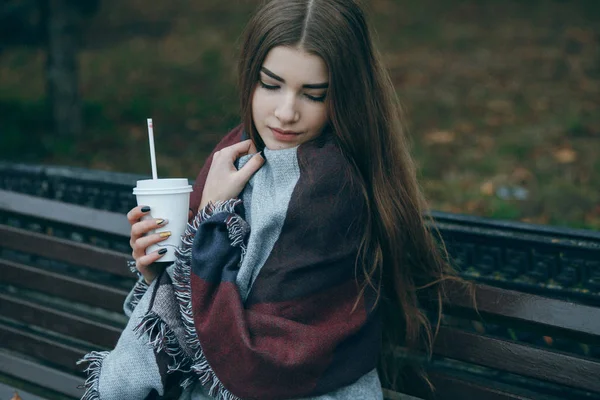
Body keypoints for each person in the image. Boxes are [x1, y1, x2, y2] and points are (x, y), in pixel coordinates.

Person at [77, 0, 462, 399]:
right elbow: (204, 315)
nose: (285, 113)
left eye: (313, 95)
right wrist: (158, 270)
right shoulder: (239, 152)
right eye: (271, 85)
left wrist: (209, 220)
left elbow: (249, 359)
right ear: (250, 77)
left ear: (344, 96)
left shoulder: (326, 188)